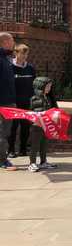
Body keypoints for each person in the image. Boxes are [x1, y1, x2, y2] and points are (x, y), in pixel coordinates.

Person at [8, 44, 36, 158]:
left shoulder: (30, 68)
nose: (24, 56)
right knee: (12, 127)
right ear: (16, 53)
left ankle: (23, 149)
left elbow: (34, 85)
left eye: (26, 54)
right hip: (13, 102)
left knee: (25, 127)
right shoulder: (10, 67)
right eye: (22, 53)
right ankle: (10, 150)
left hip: (27, 102)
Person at [27, 76, 58, 172]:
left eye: (50, 86)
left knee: (44, 144)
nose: (49, 89)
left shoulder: (46, 98)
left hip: (45, 126)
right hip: (36, 127)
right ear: (40, 87)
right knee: (35, 145)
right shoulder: (36, 99)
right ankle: (32, 163)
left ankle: (43, 162)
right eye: (47, 87)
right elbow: (37, 112)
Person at [0, 32, 18, 171]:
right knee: (3, 133)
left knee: (5, 132)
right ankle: (2, 160)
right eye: (12, 40)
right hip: (3, 102)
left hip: (8, 101)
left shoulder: (6, 58)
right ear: (5, 42)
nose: (13, 43)